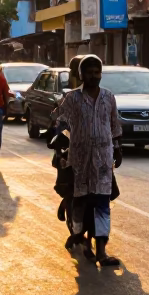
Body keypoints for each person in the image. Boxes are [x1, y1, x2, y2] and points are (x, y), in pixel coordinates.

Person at [54, 55, 122, 266]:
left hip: (103, 160)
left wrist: (117, 150)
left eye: (97, 72)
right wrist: (58, 140)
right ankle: (80, 237)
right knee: (81, 202)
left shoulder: (109, 97)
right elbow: (58, 119)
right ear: (81, 75)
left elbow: (114, 125)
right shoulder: (72, 98)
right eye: (89, 72)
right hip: (79, 160)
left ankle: (102, 251)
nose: (93, 76)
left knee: (103, 203)